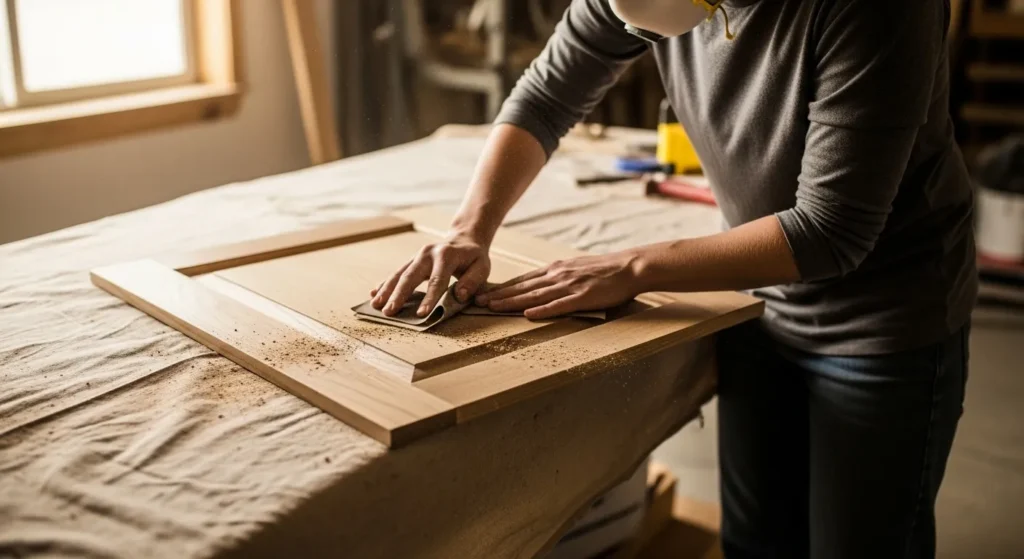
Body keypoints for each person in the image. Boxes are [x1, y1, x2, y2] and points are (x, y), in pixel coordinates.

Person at [371, 0, 976, 556]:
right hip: (758, 297)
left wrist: (634, 267)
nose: (633, 37)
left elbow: (831, 229)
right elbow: (548, 96)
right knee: (757, 542)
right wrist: (469, 227)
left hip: (885, 318)